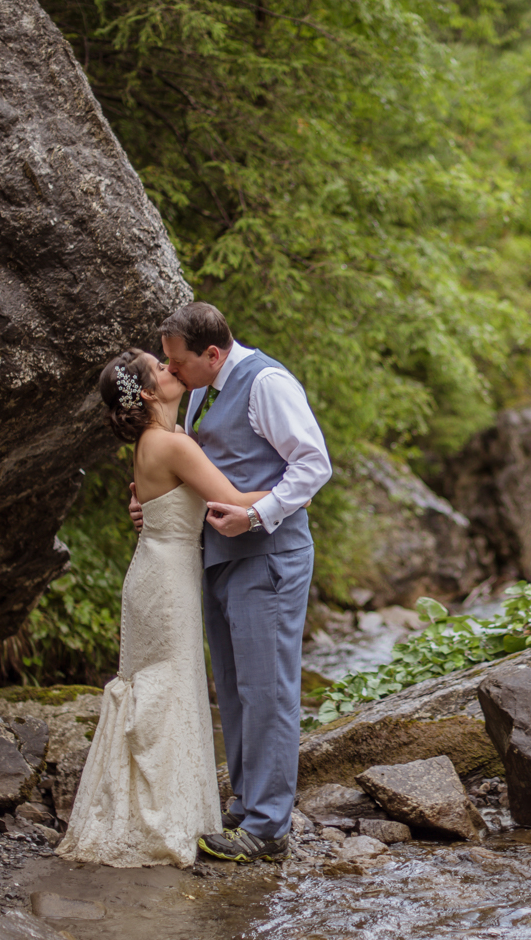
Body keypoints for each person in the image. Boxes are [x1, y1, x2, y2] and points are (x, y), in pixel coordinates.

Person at [131, 302, 332, 863]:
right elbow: (201, 469)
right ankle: (246, 807)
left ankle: (269, 829)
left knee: (268, 690)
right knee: (238, 688)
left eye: (177, 363)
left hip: (268, 556)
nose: (171, 373)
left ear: (212, 353)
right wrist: (156, 504)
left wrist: (259, 514)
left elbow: (314, 465)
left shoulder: (266, 382)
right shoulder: (199, 387)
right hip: (218, 557)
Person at [58, 347, 267, 868]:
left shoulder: (166, 440)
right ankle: (161, 819)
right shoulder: (171, 444)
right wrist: (297, 492)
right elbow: (232, 500)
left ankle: (153, 810)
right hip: (166, 582)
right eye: (163, 368)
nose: (174, 369)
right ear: (149, 393)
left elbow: (162, 504)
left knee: (164, 689)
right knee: (168, 690)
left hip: (156, 574)